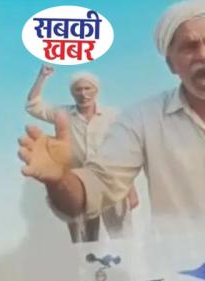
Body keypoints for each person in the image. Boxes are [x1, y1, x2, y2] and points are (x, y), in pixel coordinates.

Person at [18, 0, 205, 236]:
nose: (202, 55)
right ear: (171, 64)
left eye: (88, 88)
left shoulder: (112, 115)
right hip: (185, 260)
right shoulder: (141, 119)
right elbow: (96, 187)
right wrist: (59, 179)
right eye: (190, 47)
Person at [25, 64, 137, 242]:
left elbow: (122, 152)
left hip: (110, 182)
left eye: (88, 88)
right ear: (72, 93)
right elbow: (33, 106)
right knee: (84, 241)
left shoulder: (112, 115)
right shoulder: (63, 114)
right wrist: (42, 77)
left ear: (96, 90)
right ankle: (87, 261)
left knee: (123, 238)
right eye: (78, 90)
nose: (83, 94)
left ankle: (127, 261)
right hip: (79, 185)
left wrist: (130, 189)